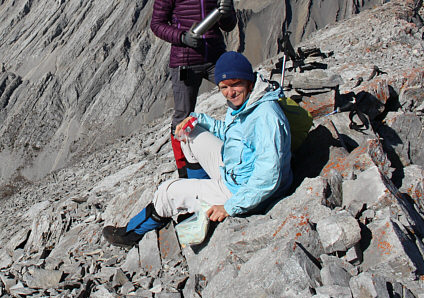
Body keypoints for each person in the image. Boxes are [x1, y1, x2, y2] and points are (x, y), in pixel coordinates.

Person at [102, 52, 292, 247]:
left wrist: (229, 207)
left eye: (235, 84)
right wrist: (200, 120)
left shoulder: (266, 117)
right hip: (237, 170)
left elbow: (268, 176)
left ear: (249, 82)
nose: (230, 92)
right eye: (224, 87)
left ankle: (130, 234)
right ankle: (195, 204)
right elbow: (233, 135)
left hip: (242, 192)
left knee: (166, 192)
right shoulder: (250, 102)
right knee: (189, 133)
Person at [150, 0, 236, 179]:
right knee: (182, 117)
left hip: (215, 56)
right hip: (184, 61)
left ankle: (239, 145)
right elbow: (157, 24)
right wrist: (181, 37)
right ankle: (186, 170)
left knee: (239, 94)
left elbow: (228, 25)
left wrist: (229, 13)